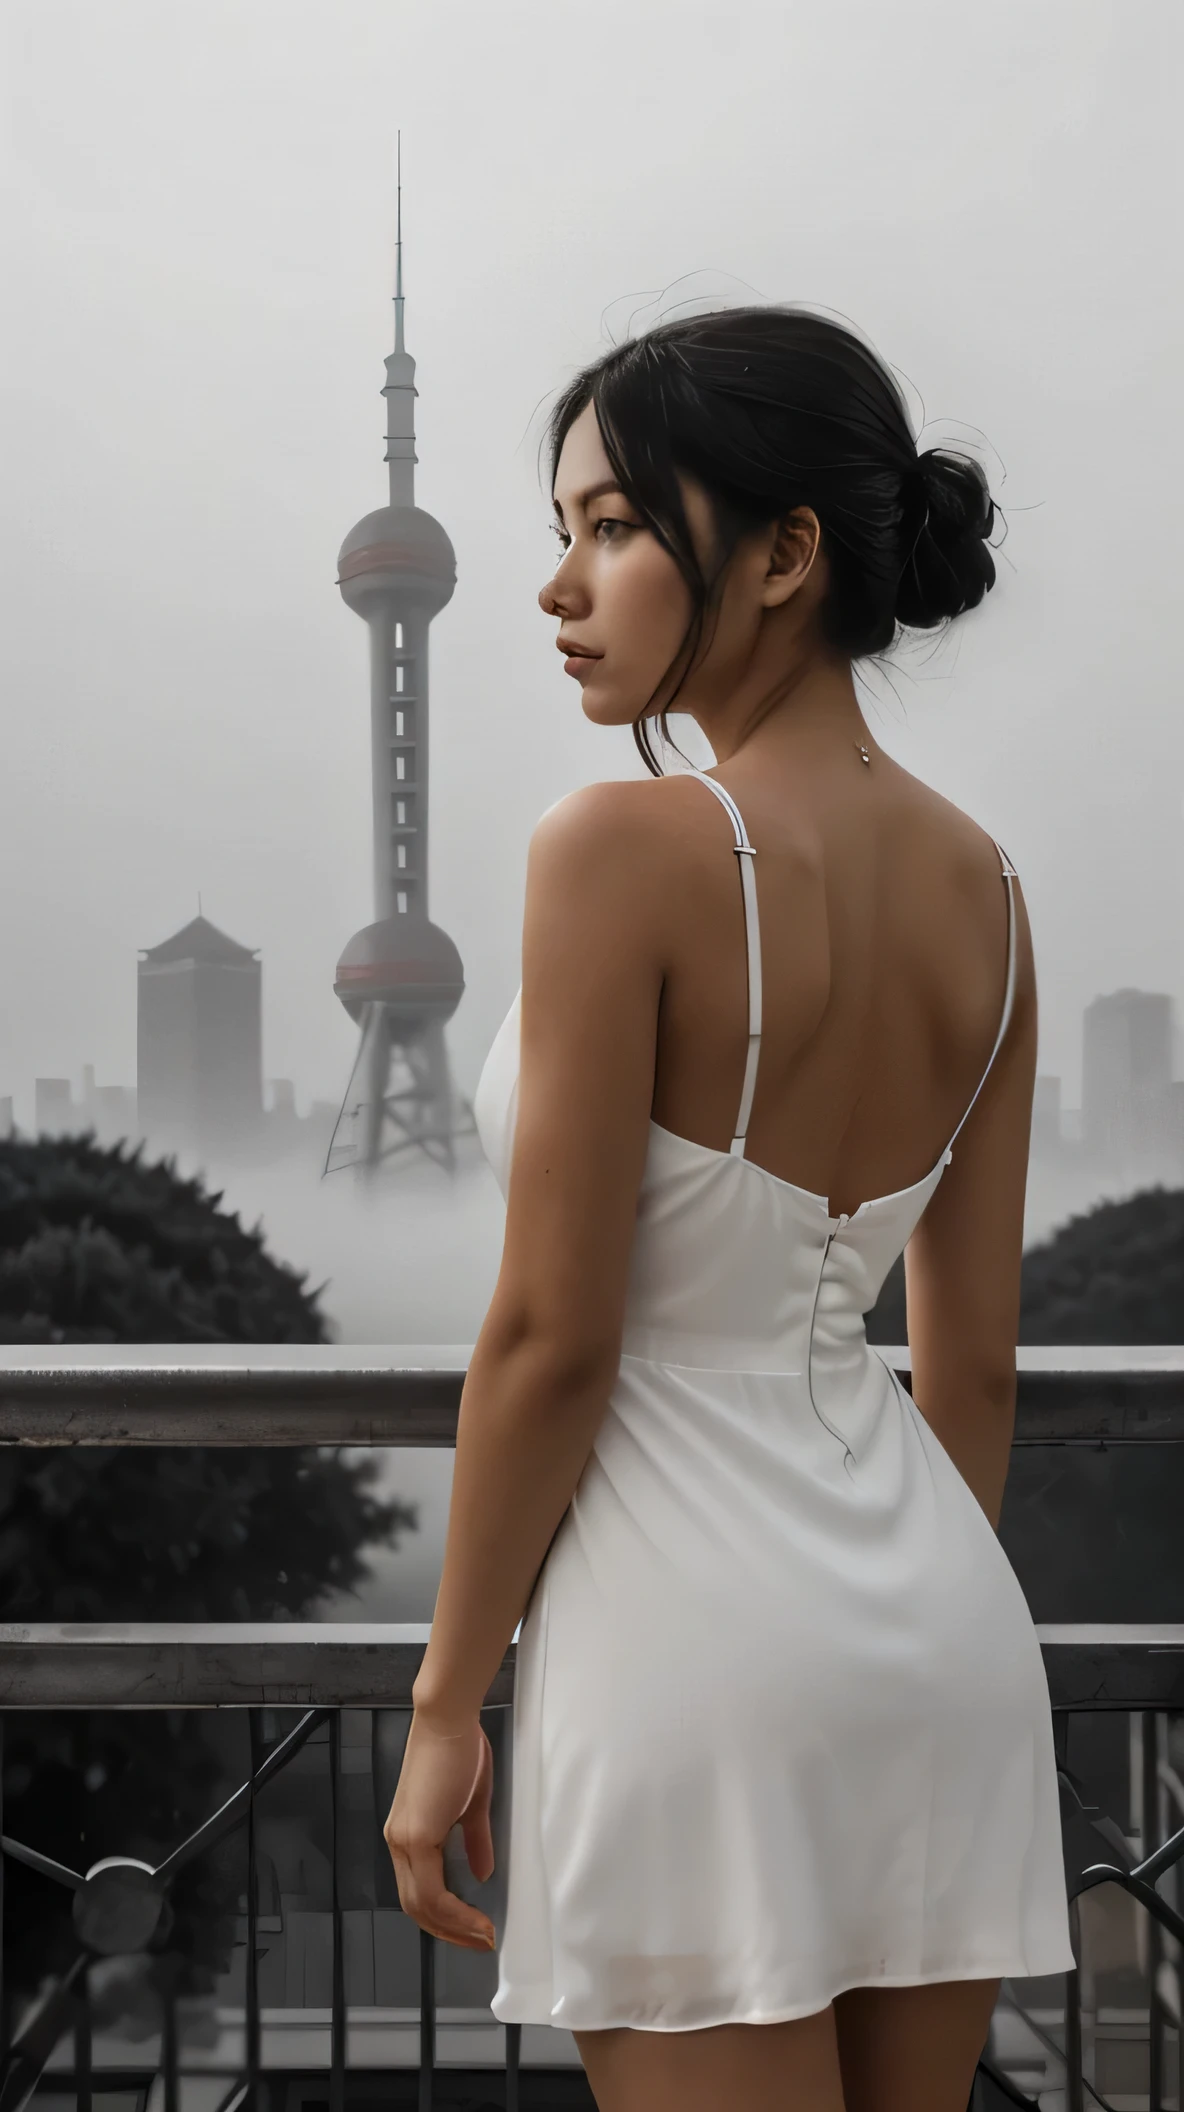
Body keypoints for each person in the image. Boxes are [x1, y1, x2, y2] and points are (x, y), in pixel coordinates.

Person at [383, 305, 1074, 2112]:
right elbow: (975, 1371)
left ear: (783, 555)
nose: (560, 584)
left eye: (612, 525)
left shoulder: (621, 852)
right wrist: (888, 1629)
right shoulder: (990, 891)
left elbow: (552, 1337)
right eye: (562, 529)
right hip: (937, 1638)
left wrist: (449, 1706)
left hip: (685, 1649)